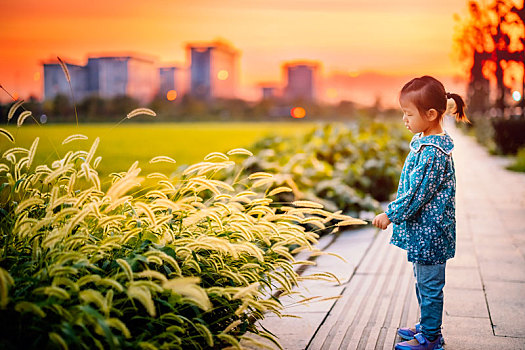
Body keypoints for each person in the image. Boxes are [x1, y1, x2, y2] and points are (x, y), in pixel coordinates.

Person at [372, 75, 469, 350]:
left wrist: (390, 214)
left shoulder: (433, 153)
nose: (404, 119)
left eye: (408, 113)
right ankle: (427, 325)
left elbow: (415, 195)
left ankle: (431, 337)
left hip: (432, 233)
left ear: (430, 114)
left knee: (429, 286)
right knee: (422, 281)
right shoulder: (426, 140)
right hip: (425, 231)